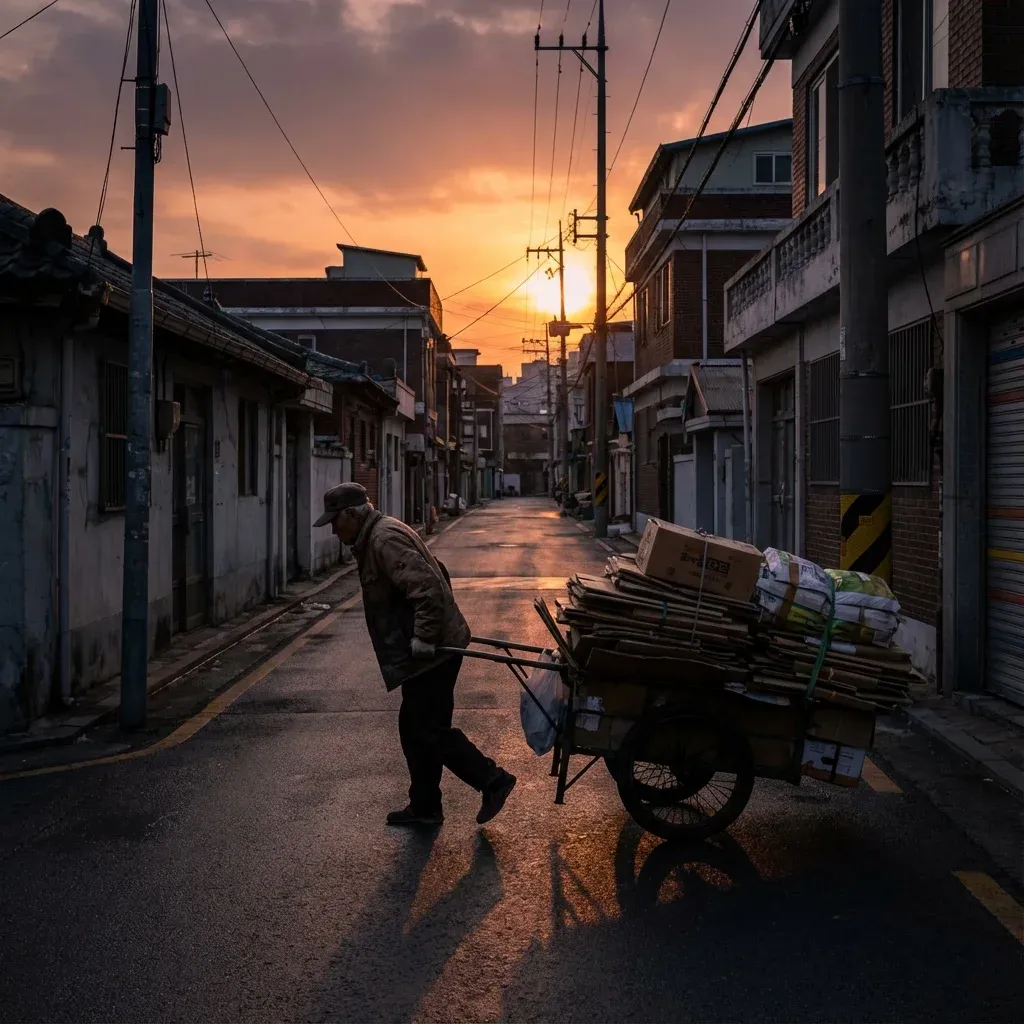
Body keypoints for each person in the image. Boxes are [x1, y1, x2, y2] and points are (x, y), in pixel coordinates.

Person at [313, 482, 516, 828]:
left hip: (432, 651)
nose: (333, 529)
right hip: (426, 652)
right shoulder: (375, 536)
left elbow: (427, 588)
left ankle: (491, 779)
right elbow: (436, 571)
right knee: (415, 728)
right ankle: (425, 805)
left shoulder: (383, 540)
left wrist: (423, 637)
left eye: (335, 521)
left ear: (351, 513)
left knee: (427, 730)